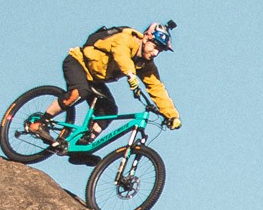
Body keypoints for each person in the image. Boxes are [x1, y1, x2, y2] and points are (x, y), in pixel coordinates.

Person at [34, 22, 182, 145]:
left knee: (109, 110)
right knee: (80, 91)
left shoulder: (146, 65)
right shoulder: (126, 38)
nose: (155, 53)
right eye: (155, 47)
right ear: (146, 38)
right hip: (79, 63)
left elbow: (156, 88)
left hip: (96, 79)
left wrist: (172, 116)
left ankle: (82, 146)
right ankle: (39, 123)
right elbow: (120, 54)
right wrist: (130, 74)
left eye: (160, 51)